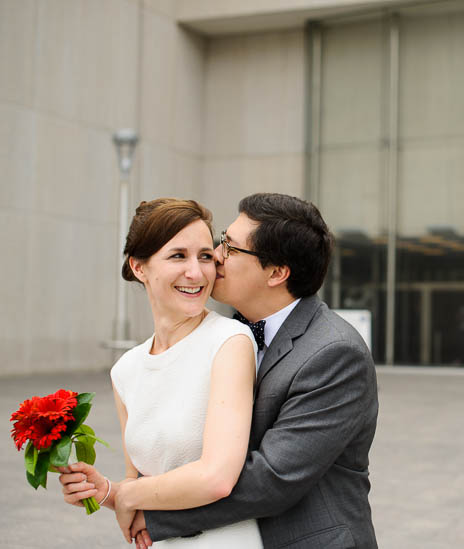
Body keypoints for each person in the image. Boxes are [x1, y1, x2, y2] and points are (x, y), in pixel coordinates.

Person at [60, 193, 379, 549]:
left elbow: (272, 478)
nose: (216, 257)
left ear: (276, 273)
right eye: (221, 240)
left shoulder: (332, 351)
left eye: (229, 247)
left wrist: (135, 501)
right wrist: (112, 492)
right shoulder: (224, 332)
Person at [59, 198, 263, 546]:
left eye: (204, 256)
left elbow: (217, 477)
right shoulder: (126, 369)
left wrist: (128, 494)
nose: (197, 273)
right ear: (139, 268)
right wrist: (105, 491)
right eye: (177, 256)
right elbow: (141, 486)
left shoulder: (229, 342)